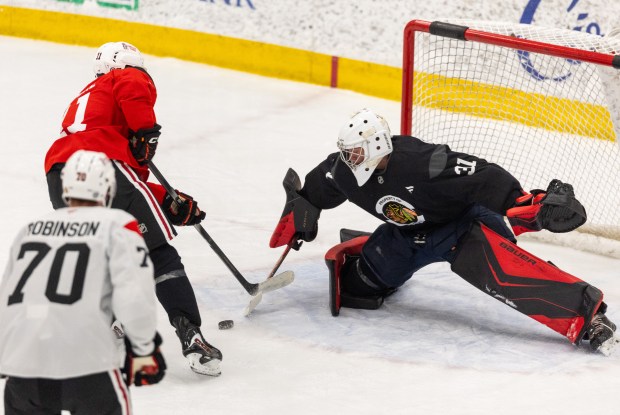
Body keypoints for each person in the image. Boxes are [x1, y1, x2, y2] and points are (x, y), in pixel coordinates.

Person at [269, 108, 618, 356]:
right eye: (347, 152)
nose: (350, 159)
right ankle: (367, 251)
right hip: (404, 235)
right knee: (358, 287)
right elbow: (325, 179)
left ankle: (588, 318)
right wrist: (304, 206)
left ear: (377, 145)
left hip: (459, 228)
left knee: (508, 274)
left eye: (356, 152)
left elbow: (486, 176)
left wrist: (532, 202)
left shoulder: (425, 163)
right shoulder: (345, 170)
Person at [43, 42, 222, 376]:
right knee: (155, 251)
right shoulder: (122, 77)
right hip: (107, 167)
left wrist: (172, 203)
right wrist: (146, 131)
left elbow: (128, 186)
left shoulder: (89, 104)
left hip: (61, 176)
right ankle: (191, 334)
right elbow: (121, 179)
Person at [0, 150, 166, 414]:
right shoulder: (118, 224)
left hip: (24, 365)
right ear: (108, 187)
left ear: (66, 185)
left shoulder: (30, 229)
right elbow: (135, 294)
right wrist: (144, 348)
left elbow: (7, 296)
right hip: (88, 363)